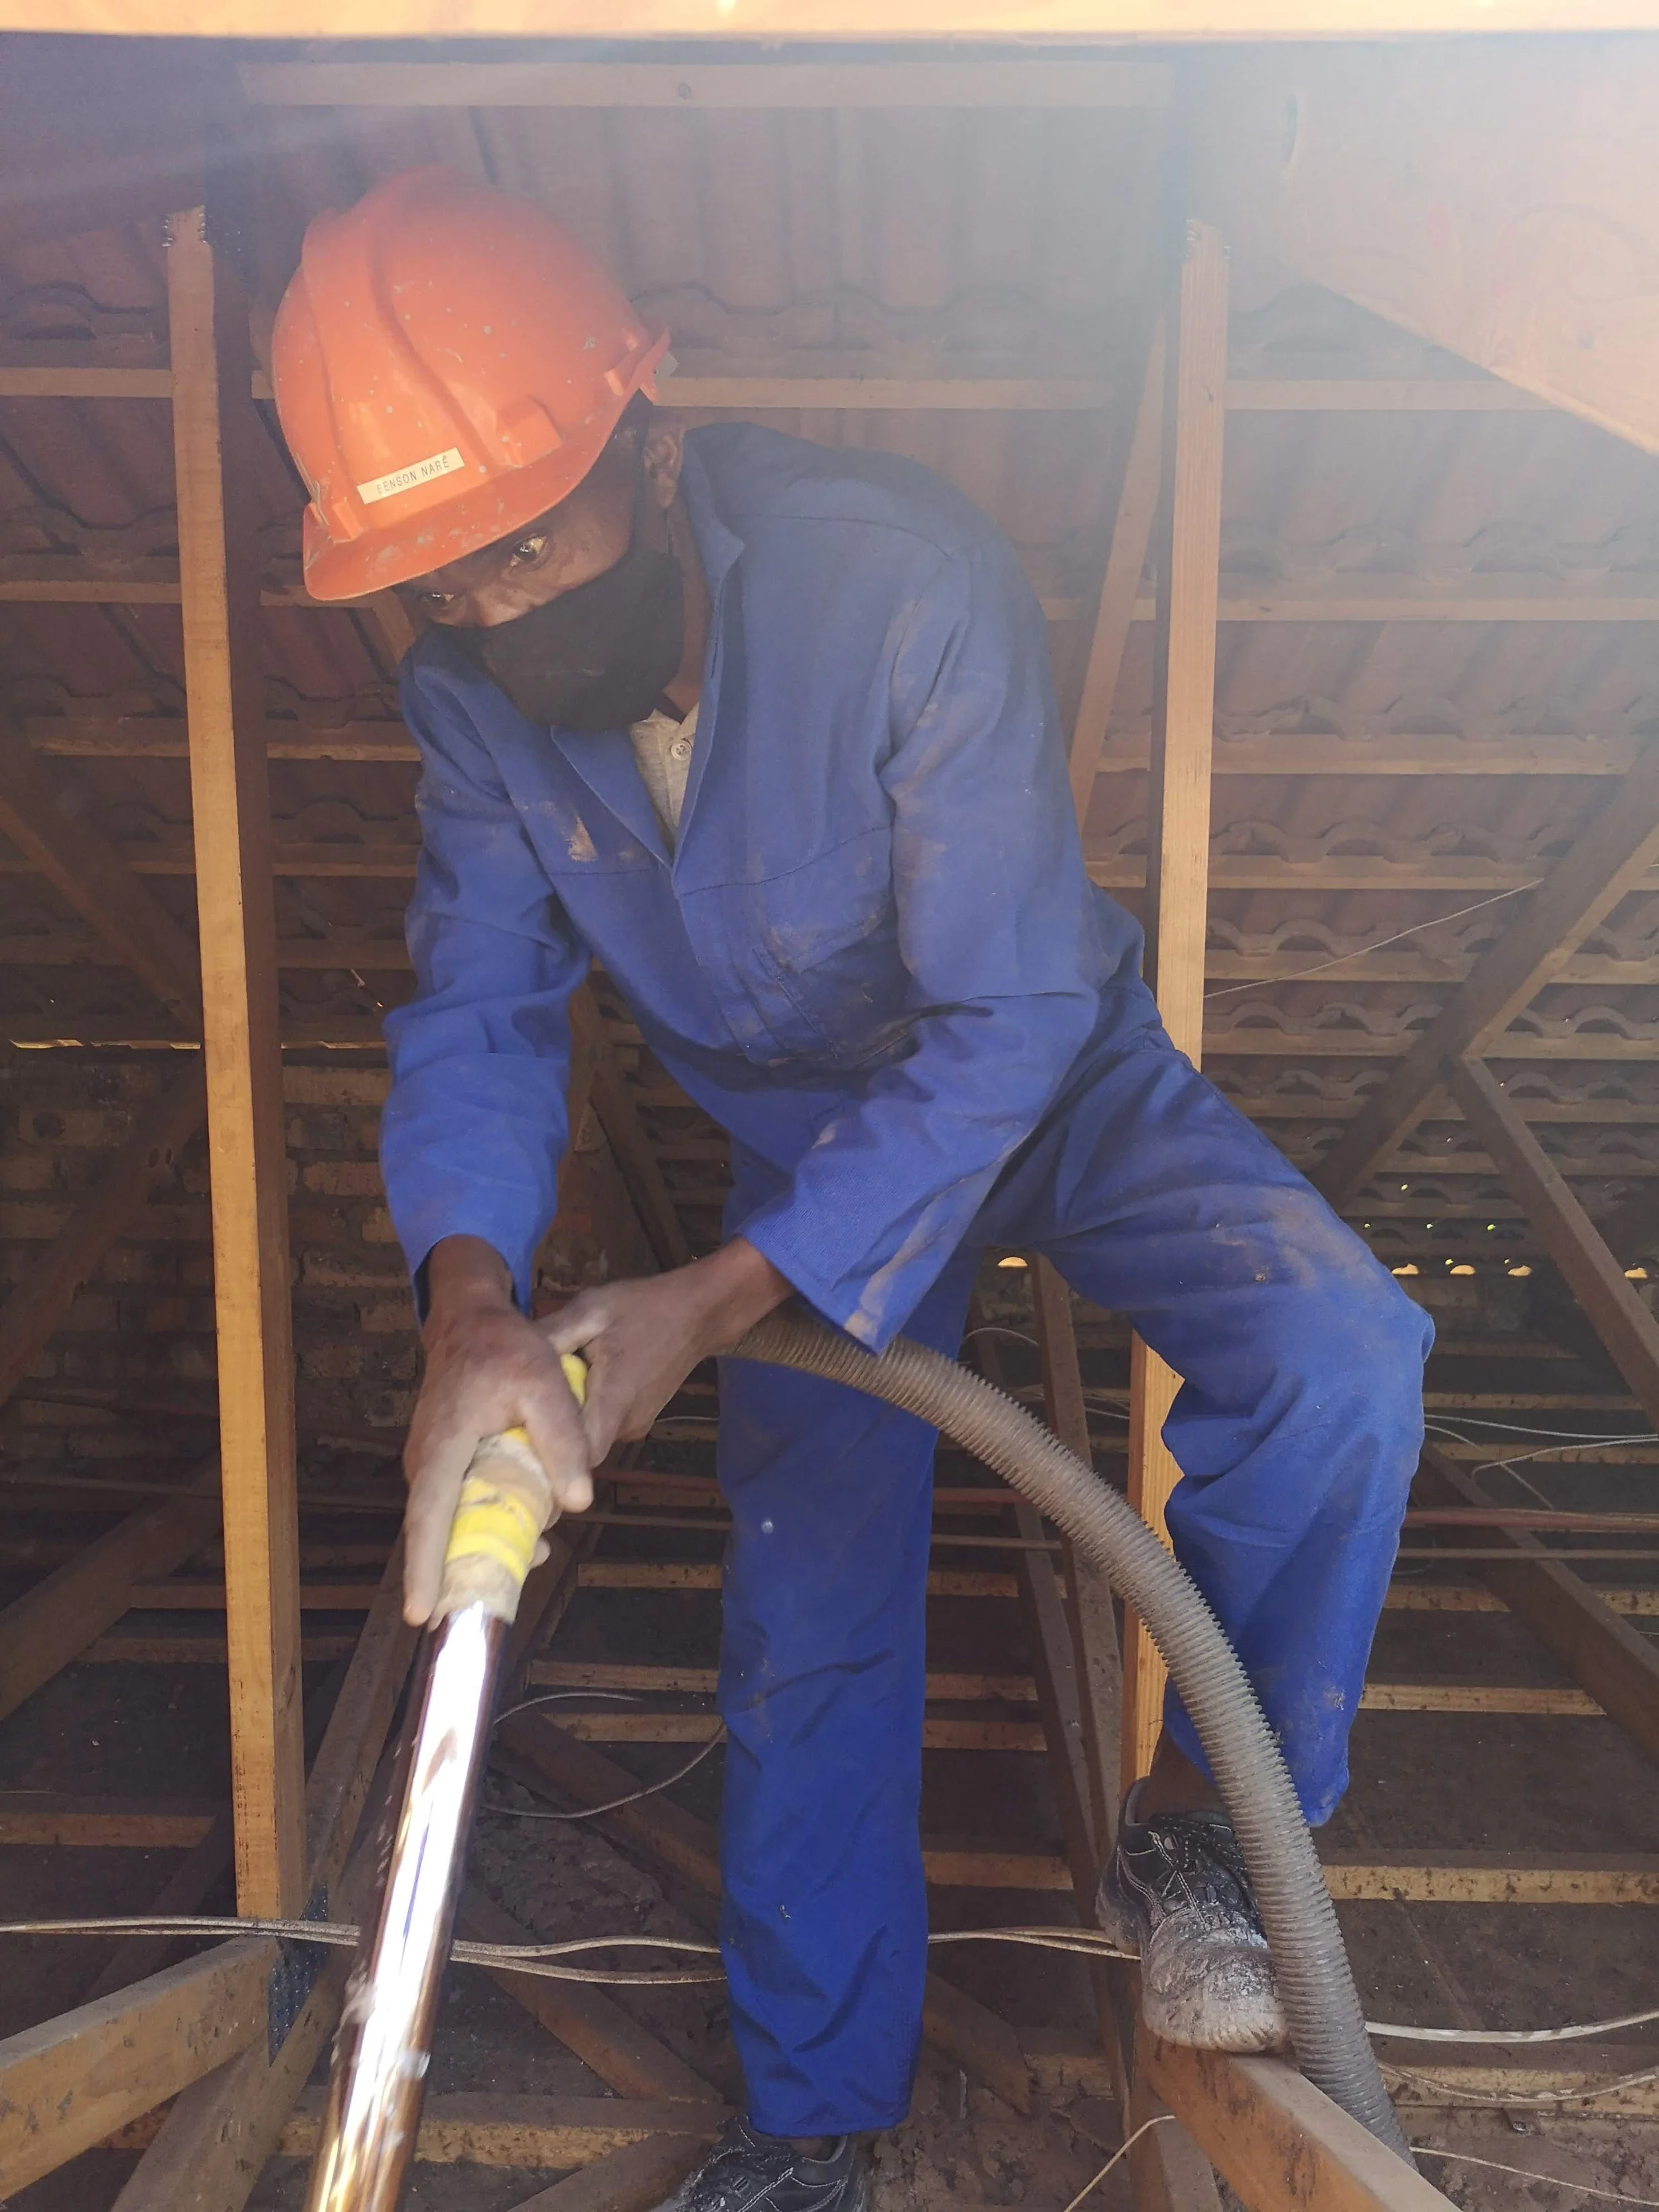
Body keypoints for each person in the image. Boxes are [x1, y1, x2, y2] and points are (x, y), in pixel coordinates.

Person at [274, 166, 1430, 2212]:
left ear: (648, 439)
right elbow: (476, 1011)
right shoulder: (468, 708)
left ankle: (1209, 1833)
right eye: (445, 581)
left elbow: (1002, 1014)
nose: (499, 611)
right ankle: (814, 2126)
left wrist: (713, 1296)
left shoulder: (894, 579)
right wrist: (470, 1307)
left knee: (1338, 1350)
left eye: (527, 539)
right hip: (801, 1136)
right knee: (808, 1610)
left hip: (1050, 1074)